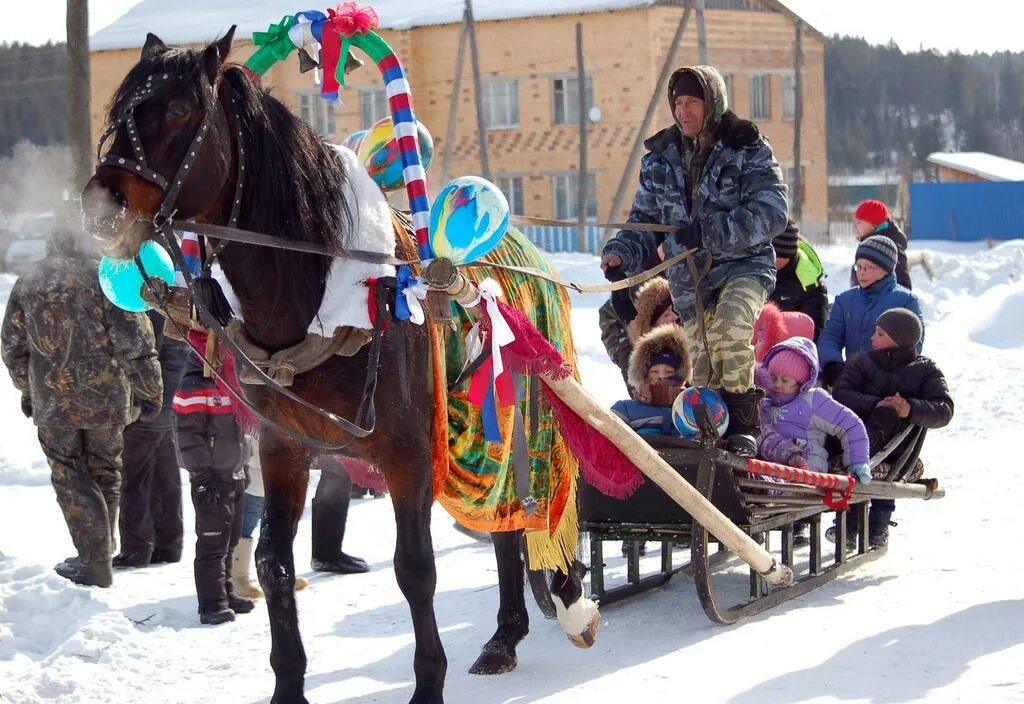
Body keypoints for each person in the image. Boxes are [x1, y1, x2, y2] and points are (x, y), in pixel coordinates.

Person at [601, 65, 788, 456]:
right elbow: (645, 223)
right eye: (677, 102)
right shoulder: (659, 159)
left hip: (744, 266)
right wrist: (620, 258)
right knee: (702, 366)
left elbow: (772, 212)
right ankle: (709, 434)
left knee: (732, 330)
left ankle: (743, 429)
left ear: (712, 103)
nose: (683, 111)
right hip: (690, 280)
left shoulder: (748, 148)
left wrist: (709, 231)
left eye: (692, 102)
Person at [1, 219, 162, 587]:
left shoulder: (31, 282)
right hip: (108, 400)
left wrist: (28, 390)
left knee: (68, 472)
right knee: (106, 470)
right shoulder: (107, 280)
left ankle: (94, 559)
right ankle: (99, 554)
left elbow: (12, 346)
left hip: (54, 401)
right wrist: (150, 392)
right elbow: (135, 342)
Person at [832, 308, 954, 547]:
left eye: (879, 333)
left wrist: (908, 409)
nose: (872, 338)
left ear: (898, 338)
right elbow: (841, 392)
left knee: (886, 418)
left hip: (898, 450)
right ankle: (849, 526)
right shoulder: (863, 362)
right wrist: (875, 403)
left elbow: (944, 409)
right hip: (859, 437)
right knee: (870, 426)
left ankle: (878, 526)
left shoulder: (926, 370)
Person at [173, 329, 253, 624]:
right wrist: (202, 475)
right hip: (211, 478)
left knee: (230, 540)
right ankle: (211, 602)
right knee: (212, 543)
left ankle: (227, 590)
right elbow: (187, 436)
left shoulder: (233, 384)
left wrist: (243, 464)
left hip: (234, 471)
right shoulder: (194, 386)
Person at [114, 311, 188, 568]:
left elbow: (145, 357)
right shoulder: (174, 302)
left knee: (134, 478)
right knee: (165, 474)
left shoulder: (144, 310)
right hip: (175, 399)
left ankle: (135, 549)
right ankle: (169, 545)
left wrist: (144, 401)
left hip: (152, 402)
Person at [817, 235, 924, 389]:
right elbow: (831, 336)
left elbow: (914, 344)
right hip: (850, 379)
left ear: (886, 269)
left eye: (868, 268)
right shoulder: (845, 300)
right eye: (858, 267)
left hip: (890, 382)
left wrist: (886, 372)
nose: (861, 273)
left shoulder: (906, 301)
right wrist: (832, 364)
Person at [757, 337, 871, 481]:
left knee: (785, 481)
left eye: (785, 380)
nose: (777, 384)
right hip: (770, 465)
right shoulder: (764, 403)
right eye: (773, 378)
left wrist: (858, 462)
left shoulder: (812, 401)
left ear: (800, 381)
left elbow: (850, 424)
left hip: (808, 466)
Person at [610, 321, 691, 434]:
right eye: (654, 371)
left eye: (668, 371)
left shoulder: (691, 410)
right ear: (644, 375)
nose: (661, 376)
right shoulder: (625, 410)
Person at [769, 220, 829, 338]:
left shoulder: (810, 285)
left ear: (789, 255)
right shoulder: (753, 272)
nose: (772, 261)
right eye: (769, 255)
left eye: (778, 257)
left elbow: (812, 334)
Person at [851, 199, 911, 289]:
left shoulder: (889, 248)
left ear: (873, 225)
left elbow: (902, 284)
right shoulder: (868, 245)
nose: (856, 226)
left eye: (859, 222)